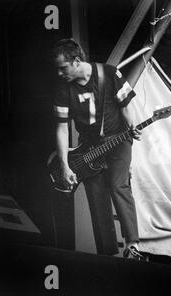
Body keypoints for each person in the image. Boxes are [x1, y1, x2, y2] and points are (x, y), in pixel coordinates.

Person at [51, 38, 142, 259]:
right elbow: (62, 129)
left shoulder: (110, 74)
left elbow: (126, 106)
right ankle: (107, 255)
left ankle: (133, 245)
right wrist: (64, 165)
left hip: (118, 140)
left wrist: (132, 126)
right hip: (89, 147)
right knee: (96, 194)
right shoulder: (63, 90)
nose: (60, 74)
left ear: (76, 61)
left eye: (63, 68)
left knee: (118, 185)